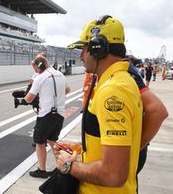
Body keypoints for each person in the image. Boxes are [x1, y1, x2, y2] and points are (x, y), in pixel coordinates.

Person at [55, 15, 143, 193]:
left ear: (97, 49)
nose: (80, 56)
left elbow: (113, 174)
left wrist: (69, 166)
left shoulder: (113, 90)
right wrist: (83, 147)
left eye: (84, 49)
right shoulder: (124, 80)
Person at [24, 54, 70, 178]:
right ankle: (63, 167)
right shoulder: (60, 74)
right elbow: (67, 90)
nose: (35, 71)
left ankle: (42, 170)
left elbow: (29, 99)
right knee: (53, 141)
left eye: (35, 68)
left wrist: (24, 98)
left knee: (39, 142)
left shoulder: (40, 77)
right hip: (59, 114)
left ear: (39, 66)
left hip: (45, 114)